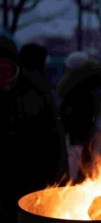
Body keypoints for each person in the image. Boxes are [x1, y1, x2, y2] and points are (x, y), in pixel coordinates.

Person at [0, 36, 69, 222]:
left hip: (32, 175)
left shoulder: (37, 90)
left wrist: (61, 178)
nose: (2, 73)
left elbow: (55, 136)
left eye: (6, 66)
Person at [57, 51, 101, 184]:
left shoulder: (77, 90)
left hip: (78, 135)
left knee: (78, 164)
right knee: (85, 162)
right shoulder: (90, 86)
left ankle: (78, 185)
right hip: (83, 134)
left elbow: (73, 114)